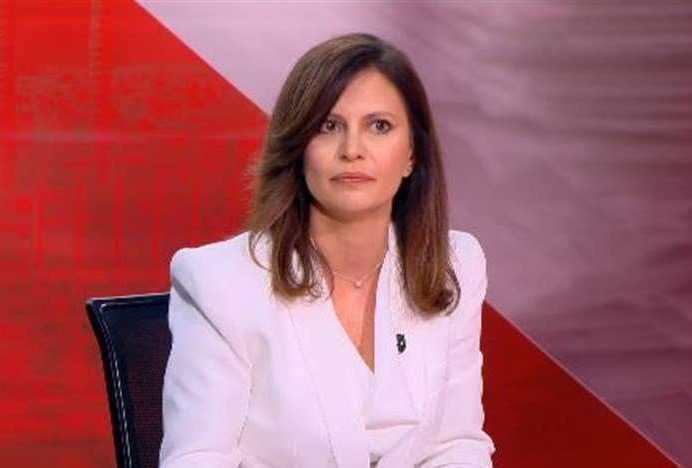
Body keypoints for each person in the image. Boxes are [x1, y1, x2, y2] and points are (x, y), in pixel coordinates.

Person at [159, 32, 495, 468]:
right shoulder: (220, 282)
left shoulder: (453, 265)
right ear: (299, 149)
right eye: (328, 127)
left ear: (412, 153)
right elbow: (197, 458)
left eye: (379, 126)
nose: (352, 150)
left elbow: (456, 443)